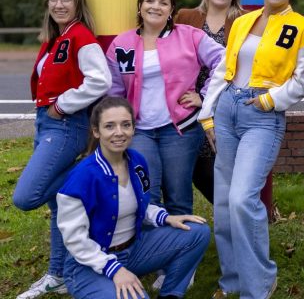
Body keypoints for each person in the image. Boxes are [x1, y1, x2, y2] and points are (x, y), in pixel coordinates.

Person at [199, 0, 304, 299]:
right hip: (228, 110)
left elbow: (301, 80)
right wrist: (207, 113)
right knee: (222, 203)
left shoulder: (301, 26)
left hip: (262, 114)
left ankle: (259, 283)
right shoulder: (242, 21)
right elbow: (223, 71)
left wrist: (269, 100)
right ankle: (231, 281)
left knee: (242, 198)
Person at [14, 0, 111, 299]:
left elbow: (100, 80)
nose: (59, 5)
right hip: (46, 126)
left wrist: (63, 104)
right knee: (59, 207)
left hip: (65, 126)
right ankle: (59, 275)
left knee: (26, 197)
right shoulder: (56, 38)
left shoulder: (81, 37)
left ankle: (85, 177)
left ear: (78, 3)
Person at [57, 96, 210, 299]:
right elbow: (75, 240)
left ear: (133, 128)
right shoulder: (81, 178)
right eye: (109, 126)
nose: (119, 132)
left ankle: (171, 294)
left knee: (197, 232)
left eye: (126, 125)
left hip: (132, 251)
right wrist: (115, 269)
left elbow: (141, 205)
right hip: (88, 265)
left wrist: (166, 218)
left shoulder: (136, 161)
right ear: (96, 131)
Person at [106, 0, 224, 217]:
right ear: (140, 7)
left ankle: (185, 250)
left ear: (171, 10)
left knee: (178, 197)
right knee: (147, 195)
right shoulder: (122, 43)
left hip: (180, 129)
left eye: (163, 3)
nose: (156, 6)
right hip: (139, 130)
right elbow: (113, 90)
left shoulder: (190, 35)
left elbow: (224, 60)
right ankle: (156, 250)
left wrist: (204, 96)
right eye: (150, 1)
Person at [176, 0, 244, 204]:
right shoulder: (185, 17)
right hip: (185, 104)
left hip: (223, 103)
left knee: (214, 169)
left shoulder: (242, 22)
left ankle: (235, 217)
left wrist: (205, 98)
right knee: (189, 167)